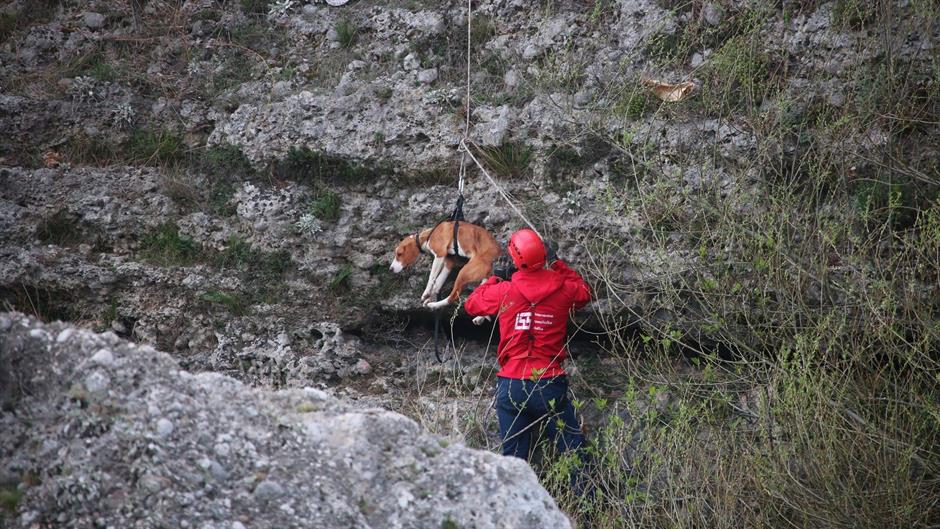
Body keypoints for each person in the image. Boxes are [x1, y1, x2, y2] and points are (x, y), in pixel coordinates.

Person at [464, 228, 591, 462]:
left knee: (513, 464)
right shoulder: (563, 288)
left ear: (514, 259)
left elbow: (472, 304)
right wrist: (556, 264)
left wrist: (498, 277)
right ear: (543, 256)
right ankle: (587, 496)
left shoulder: (505, 290)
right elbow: (584, 292)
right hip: (549, 382)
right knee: (575, 456)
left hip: (512, 384)